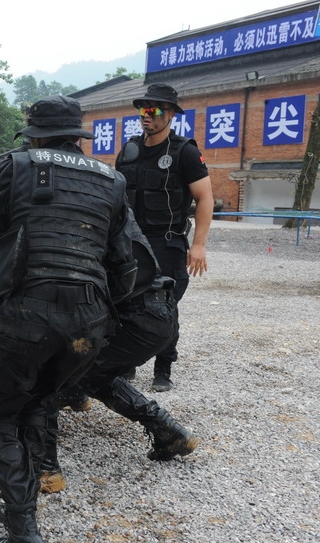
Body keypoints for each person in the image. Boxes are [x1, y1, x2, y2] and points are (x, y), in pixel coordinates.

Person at [0, 96, 137, 543]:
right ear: (77, 137)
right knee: (38, 400)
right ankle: (22, 491)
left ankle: (24, 534)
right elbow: (125, 266)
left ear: (36, 137)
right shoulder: (111, 179)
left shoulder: (12, 167)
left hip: (27, 313)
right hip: (88, 323)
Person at [46, 213, 201, 493]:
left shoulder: (74, 212)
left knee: (53, 369)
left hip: (137, 318)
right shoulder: (108, 202)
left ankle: (44, 466)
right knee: (89, 371)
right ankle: (169, 433)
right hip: (159, 311)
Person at [115, 83, 214, 392]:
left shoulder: (184, 152)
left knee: (164, 304)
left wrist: (198, 245)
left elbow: (205, 198)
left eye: (153, 109)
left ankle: (163, 367)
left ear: (169, 114)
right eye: (142, 109)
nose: (146, 115)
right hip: (130, 241)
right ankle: (126, 362)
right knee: (123, 300)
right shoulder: (129, 151)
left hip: (165, 241)